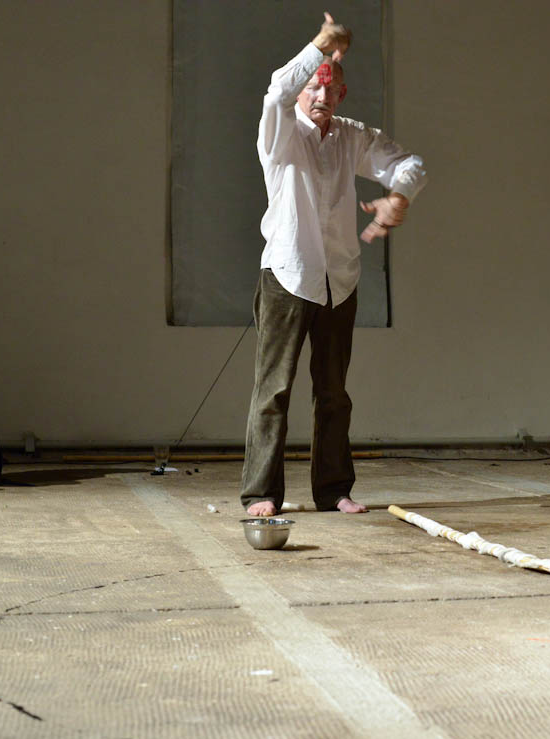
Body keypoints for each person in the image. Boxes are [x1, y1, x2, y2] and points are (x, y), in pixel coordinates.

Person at [241, 12, 426, 516]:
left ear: (342, 95)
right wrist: (320, 48)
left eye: (330, 89)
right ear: (303, 89)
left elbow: (409, 164)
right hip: (287, 276)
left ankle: (333, 490)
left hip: (338, 280)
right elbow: (276, 93)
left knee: (334, 394)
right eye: (313, 87)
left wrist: (399, 197)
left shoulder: (351, 136)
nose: (321, 96)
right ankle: (261, 494)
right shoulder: (281, 132)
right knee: (273, 392)